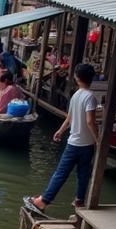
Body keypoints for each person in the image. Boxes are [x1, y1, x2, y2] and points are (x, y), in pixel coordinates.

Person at [24, 63, 100, 213]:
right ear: (92, 78)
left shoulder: (76, 95)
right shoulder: (90, 97)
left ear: (77, 78)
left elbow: (70, 117)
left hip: (73, 143)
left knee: (61, 173)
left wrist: (61, 130)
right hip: (87, 144)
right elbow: (90, 121)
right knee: (83, 173)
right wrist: (98, 139)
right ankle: (79, 200)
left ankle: (43, 201)